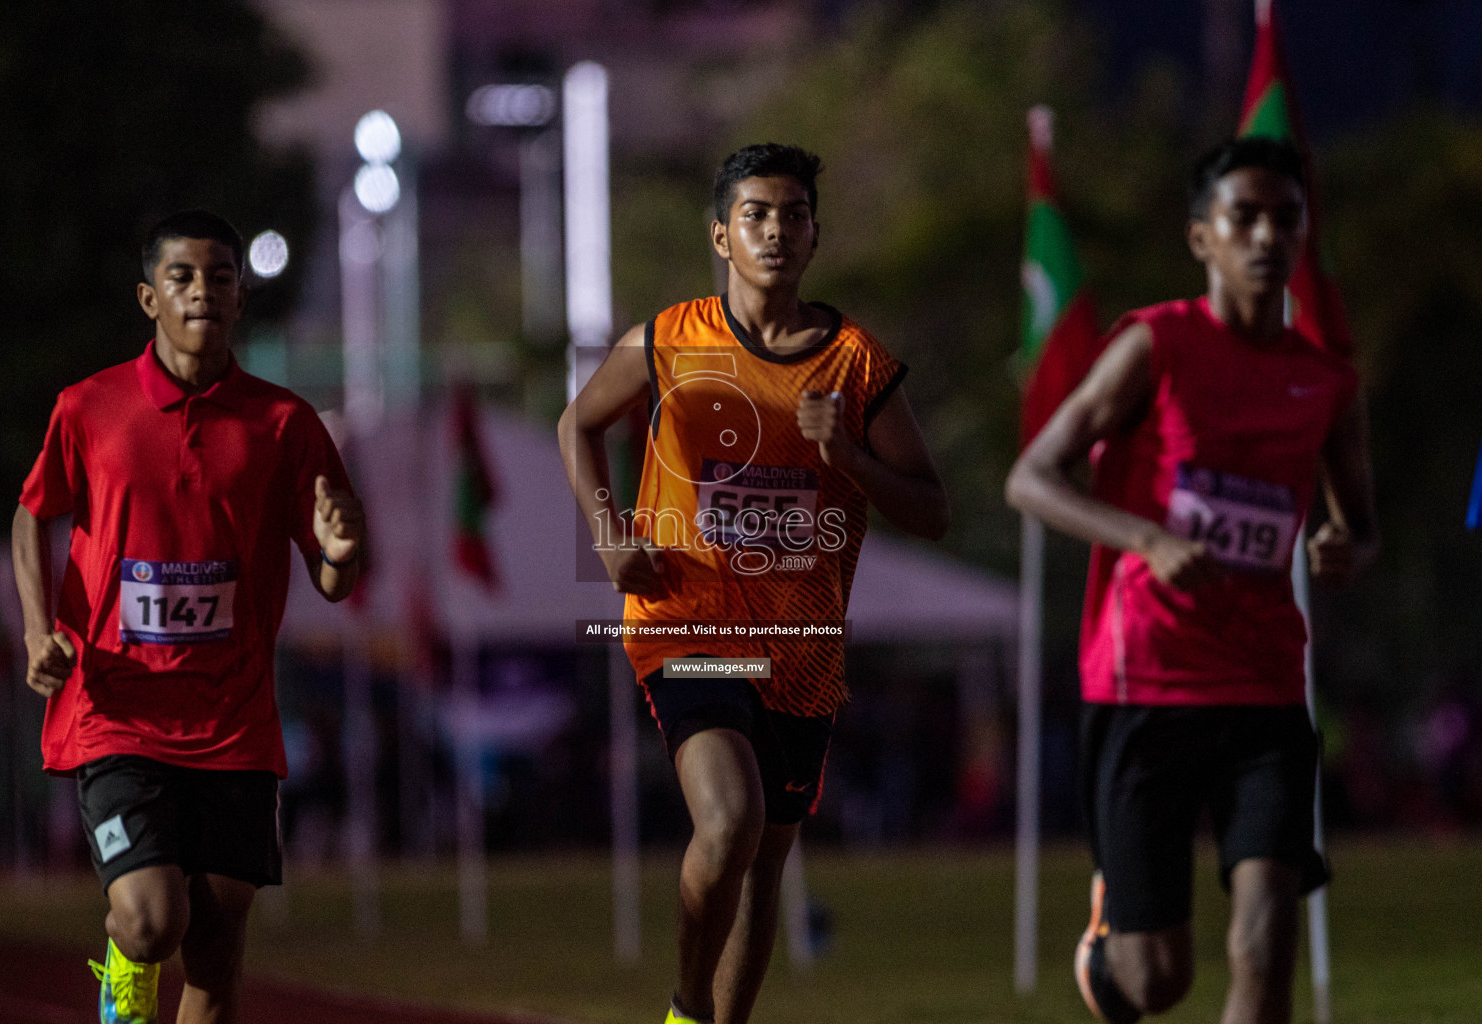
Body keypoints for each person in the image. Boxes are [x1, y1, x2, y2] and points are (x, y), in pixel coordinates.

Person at [558, 143, 949, 1024]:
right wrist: (609, 535)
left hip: (801, 649)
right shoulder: (669, 338)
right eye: (756, 216)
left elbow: (932, 510)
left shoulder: (856, 365)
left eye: (793, 215)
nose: (775, 231)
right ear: (721, 235)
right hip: (685, 626)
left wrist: (845, 456)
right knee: (728, 821)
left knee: (766, 856)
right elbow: (576, 423)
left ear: (815, 236)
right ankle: (686, 1009)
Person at [1006, 136, 1378, 1024]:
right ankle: (1109, 950)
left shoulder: (1326, 384)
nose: (1266, 236)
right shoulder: (1155, 345)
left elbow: (1360, 526)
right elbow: (1032, 477)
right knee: (1156, 980)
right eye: (1242, 217)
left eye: (1286, 218)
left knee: (1262, 943)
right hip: (1147, 685)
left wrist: (1343, 547)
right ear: (1201, 238)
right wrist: (1143, 536)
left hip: (1265, 689)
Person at [12, 210, 365, 1024]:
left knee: (214, 948)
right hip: (118, 711)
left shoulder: (285, 425)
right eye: (182, 277)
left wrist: (340, 551)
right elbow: (33, 514)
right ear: (149, 298)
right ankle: (125, 977)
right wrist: (40, 630)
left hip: (234, 722)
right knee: (151, 918)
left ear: (242, 298)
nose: (202, 290)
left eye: (220, 277)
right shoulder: (89, 407)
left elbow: (334, 579)